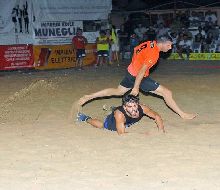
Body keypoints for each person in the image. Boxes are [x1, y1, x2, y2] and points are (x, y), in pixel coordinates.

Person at [77, 36, 196, 120]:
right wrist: (136, 87)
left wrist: (135, 65)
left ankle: (89, 96)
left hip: (130, 71)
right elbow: (142, 71)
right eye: (168, 45)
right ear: (161, 43)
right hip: (138, 77)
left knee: (118, 91)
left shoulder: (149, 43)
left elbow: (135, 50)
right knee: (167, 93)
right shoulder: (154, 53)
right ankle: (182, 114)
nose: (170, 48)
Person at [77, 94, 165, 134]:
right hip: (113, 123)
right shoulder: (120, 114)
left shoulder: (142, 108)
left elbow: (156, 116)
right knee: (102, 125)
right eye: (129, 107)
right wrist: (142, 134)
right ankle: (85, 118)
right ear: (125, 107)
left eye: (134, 105)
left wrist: (161, 130)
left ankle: (112, 109)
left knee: (123, 117)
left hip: (126, 121)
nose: (133, 108)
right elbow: (121, 134)